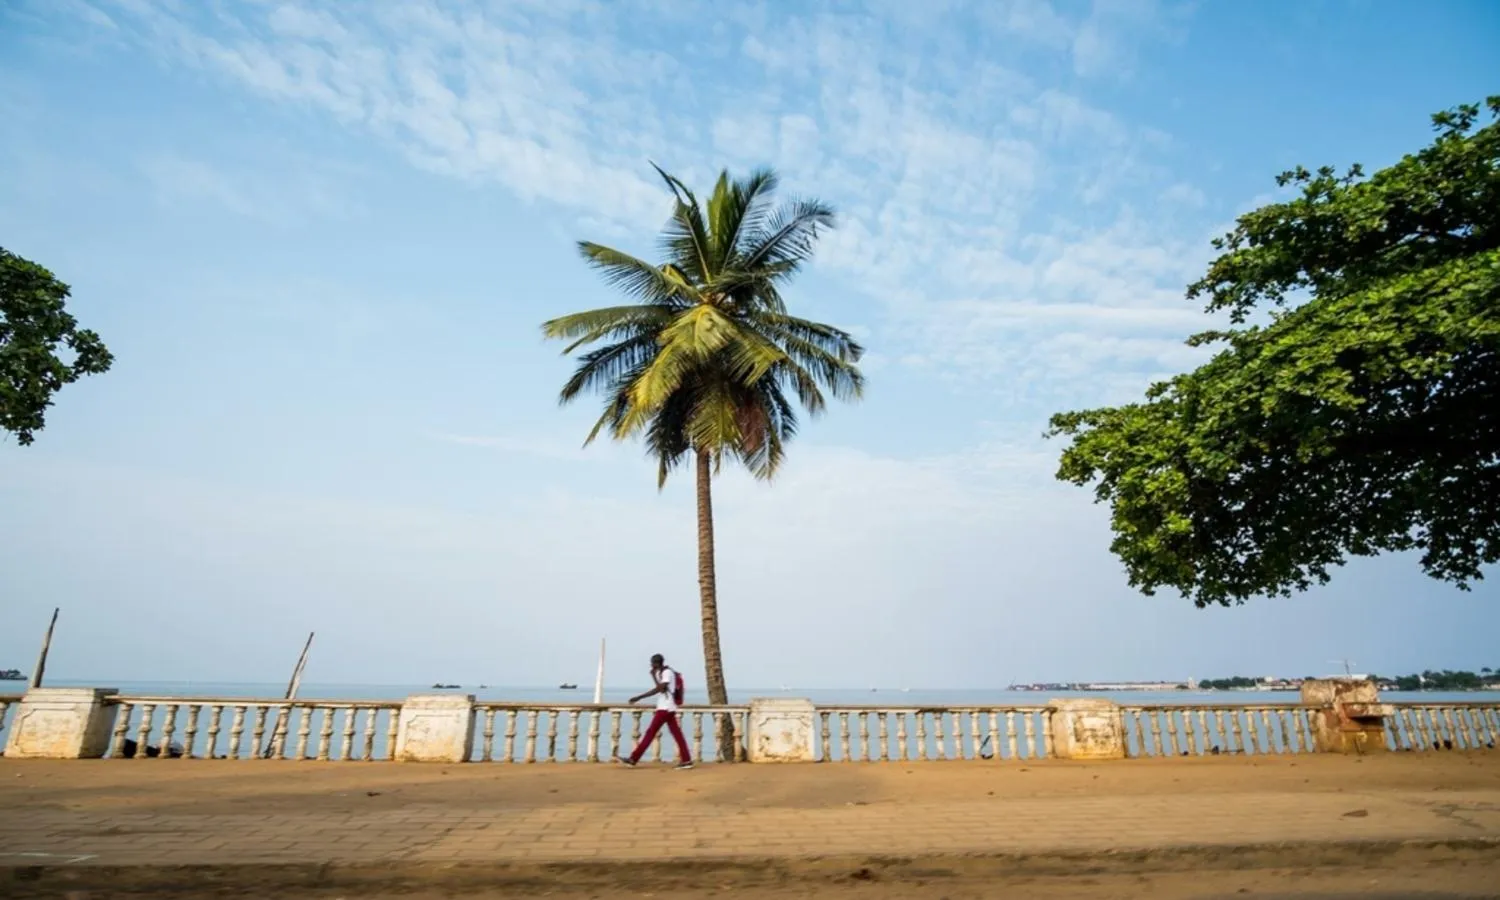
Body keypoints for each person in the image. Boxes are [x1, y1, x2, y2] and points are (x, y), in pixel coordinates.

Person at [617, 653, 693, 769]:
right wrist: (654, 676)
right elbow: (660, 687)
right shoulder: (661, 672)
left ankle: (633, 759)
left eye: (652, 663)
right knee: (677, 734)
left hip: (665, 708)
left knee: (650, 733)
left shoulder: (667, 672)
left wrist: (639, 697)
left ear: (656, 663)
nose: (651, 665)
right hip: (668, 707)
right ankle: (687, 760)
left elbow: (661, 689)